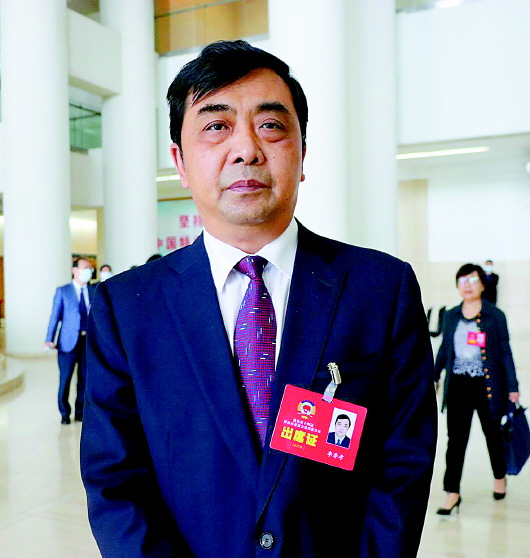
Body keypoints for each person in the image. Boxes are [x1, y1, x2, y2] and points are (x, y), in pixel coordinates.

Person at [81, 40, 437, 557]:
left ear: (303, 153)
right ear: (180, 162)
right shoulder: (126, 306)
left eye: (270, 125)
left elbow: (403, 467)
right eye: (216, 126)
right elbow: (115, 483)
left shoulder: (381, 290)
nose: (246, 149)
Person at [434, 263, 520, 515]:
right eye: (463, 281)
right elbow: (444, 349)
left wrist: (512, 386)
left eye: (473, 280)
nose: (468, 286)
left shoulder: (495, 316)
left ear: (483, 285)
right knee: (455, 441)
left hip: (487, 386)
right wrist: (434, 375)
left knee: (493, 436)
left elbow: (505, 352)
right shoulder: (450, 315)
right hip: (458, 385)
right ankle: (452, 492)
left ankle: (499, 478)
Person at [45, 257, 95, 424]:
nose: (89, 271)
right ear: (75, 270)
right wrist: (49, 339)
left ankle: (80, 412)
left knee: (84, 379)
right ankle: (64, 413)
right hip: (67, 343)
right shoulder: (63, 291)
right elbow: (55, 317)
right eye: (85, 267)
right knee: (65, 379)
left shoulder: (93, 291)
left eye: (90, 268)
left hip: (87, 342)